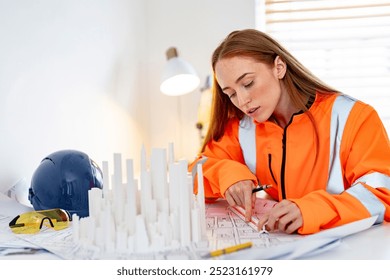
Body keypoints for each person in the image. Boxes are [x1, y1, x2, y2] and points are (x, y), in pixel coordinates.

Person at [189, 29, 390, 235]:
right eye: (230, 94)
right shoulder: (242, 126)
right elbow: (193, 173)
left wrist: (311, 210)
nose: (242, 101)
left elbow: (383, 194)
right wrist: (228, 175)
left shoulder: (354, 117)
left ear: (279, 67)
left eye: (248, 84)